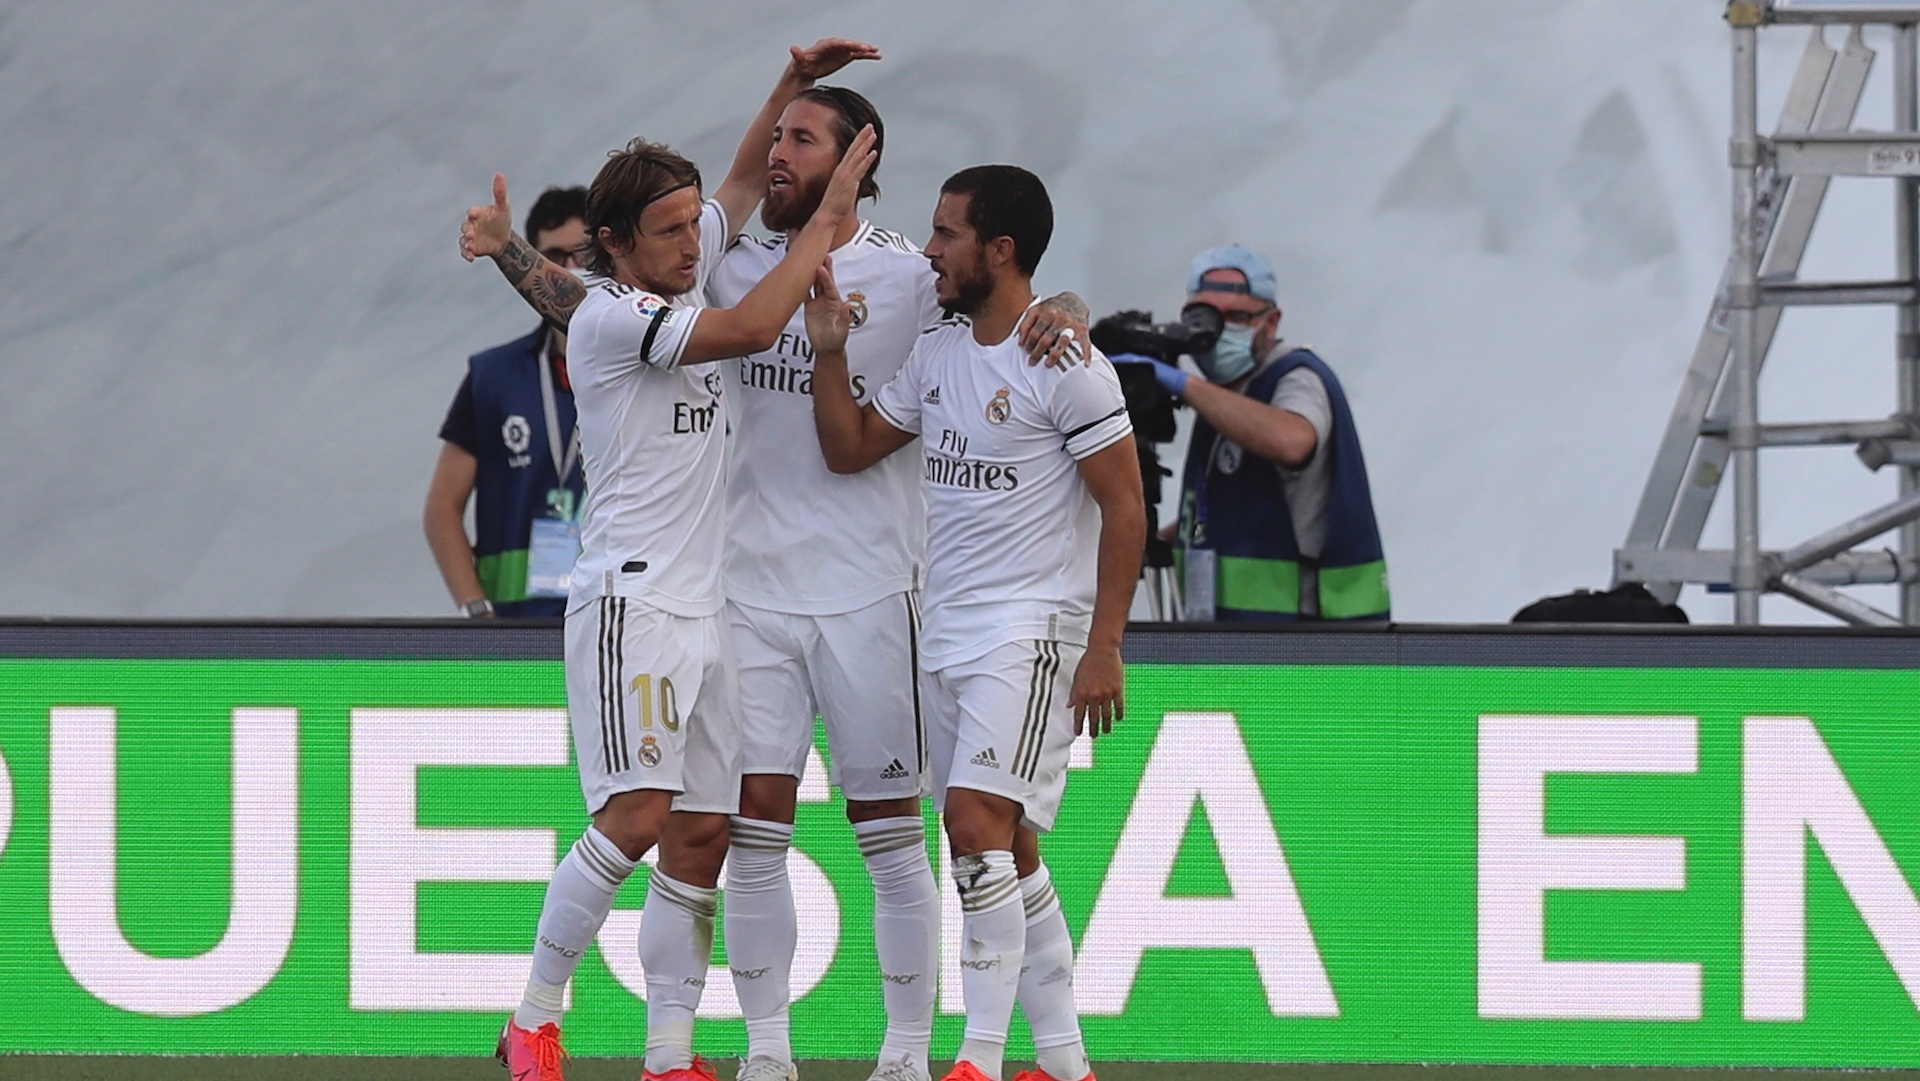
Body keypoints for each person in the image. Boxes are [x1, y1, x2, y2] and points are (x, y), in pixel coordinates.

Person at [467, 68, 1090, 1081]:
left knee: (893, 838)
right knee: (743, 835)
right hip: (738, 593)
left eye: (804, 138)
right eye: (777, 136)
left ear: (856, 161)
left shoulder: (909, 274)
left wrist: (1066, 303)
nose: (775, 154)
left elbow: (1000, 310)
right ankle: (762, 1054)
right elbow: (595, 295)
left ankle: (905, 1056)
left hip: (873, 589)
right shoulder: (720, 266)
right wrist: (510, 252)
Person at [461, 42, 879, 1081]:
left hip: (708, 608)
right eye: (672, 231)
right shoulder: (620, 315)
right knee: (637, 818)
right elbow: (754, 323)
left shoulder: (677, 260)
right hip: (633, 604)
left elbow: (735, 182)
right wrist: (827, 218)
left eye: (695, 224)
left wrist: (789, 85)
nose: (696, 243)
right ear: (614, 244)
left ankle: (669, 1055)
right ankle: (533, 1016)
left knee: (703, 835)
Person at [808, 164, 1145, 1081]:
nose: (930, 249)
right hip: (947, 631)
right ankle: (1066, 1062)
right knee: (1010, 847)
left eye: (947, 233)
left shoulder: (1067, 365)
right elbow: (849, 448)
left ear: (999, 249)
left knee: (971, 822)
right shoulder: (940, 353)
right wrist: (829, 350)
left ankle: (978, 1059)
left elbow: (1126, 506)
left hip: (1030, 632)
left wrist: (1105, 645)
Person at [1131, 244, 1389, 621]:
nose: (1219, 332)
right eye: (1205, 317)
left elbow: (1292, 442)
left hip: (1302, 636)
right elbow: (1227, 511)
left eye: (1237, 317)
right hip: (1239, 635)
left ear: (1271, 322)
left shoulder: (1296, 377)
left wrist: (1183, 384)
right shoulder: (1227, 395)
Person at [426, 186, 590, 618]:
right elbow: (442, 509)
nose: (570, 269)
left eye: (583, 255)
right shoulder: (492, 376)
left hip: (609, 623)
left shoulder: (646, 374)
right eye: (554, 256)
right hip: (513, 633)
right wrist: (477, 611)